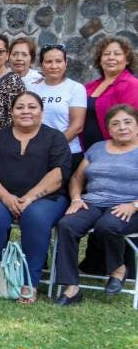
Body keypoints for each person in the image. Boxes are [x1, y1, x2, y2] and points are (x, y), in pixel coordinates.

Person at [0, 92, 71, 303]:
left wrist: (29, 198)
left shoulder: (55, 138)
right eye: (20, 107)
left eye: (32, 107)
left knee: (35, 217)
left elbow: (58, 174)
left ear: (41, 111)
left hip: (45, 198)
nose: (26, 111)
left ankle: (30, 282)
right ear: (11, 112)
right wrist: (5, 197)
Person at [53, 104, 138, 305]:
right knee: (67, 225)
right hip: (92, 202)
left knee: (107, 225)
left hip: (129, 206)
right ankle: (71, 287)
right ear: (108, 129)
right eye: (115, 124)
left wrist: (134, 205)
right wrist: (76, 198)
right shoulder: (97, 148)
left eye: (127, 122)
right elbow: (77, 178)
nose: (122, 127)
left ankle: (118, 268)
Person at [30, 45, 87, 169]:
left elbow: (77, 127)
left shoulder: (75, 88)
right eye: (48, 61)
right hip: (35, 153)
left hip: (67, 152)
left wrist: (50, 147)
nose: (54, 66)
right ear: (41, 64)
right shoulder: (33, 88)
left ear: (66, 63)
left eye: (58, 61)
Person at [82, 36, 138, 149]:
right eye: (106, 54)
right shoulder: (89, 87)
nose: (111, 57)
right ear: (100, 60)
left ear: (127, 60)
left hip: (116, 150)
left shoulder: (131, 84)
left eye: (117, 54)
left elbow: (133, 122)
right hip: (87, 150)